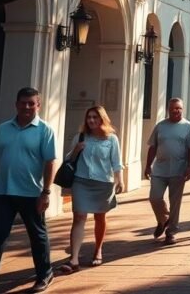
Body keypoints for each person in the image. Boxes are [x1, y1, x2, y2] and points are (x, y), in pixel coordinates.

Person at [0, 87, 57, 294]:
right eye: (23, 103)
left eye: (31, 103)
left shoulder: (45, 130)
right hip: (3, 192)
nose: (27, 107)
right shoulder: (3, 129)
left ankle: (45, 274)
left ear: (38, 105)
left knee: (37, 236)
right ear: (16, 104)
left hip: (32, 193)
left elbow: (50, 162)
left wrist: (46, 192)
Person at [56, 106, 123, 274]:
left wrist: (119, 180)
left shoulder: (111, 139)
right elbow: (68, 159)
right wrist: (76, 150)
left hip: (103, 183)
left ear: (102, 119)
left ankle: (98, 250)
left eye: (95, 117)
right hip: (81, 181)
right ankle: (74, 259)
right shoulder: (80, 137)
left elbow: (116, 162)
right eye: (89, 117)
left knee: (100, 217)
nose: (91, 120)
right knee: (79, 217)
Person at [144, 98, 190, 246]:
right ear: (168, 109)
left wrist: (189, 166)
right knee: (155, 197)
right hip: (159, 169)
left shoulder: (187, 126)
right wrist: (148, 166)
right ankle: (163, 219)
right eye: (174, 108)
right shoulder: (161, 126)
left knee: (175, 202)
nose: (177, 111)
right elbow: (152, 147)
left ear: (182, 109)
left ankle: (171, 232)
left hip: (178, 170)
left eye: (179, 108)